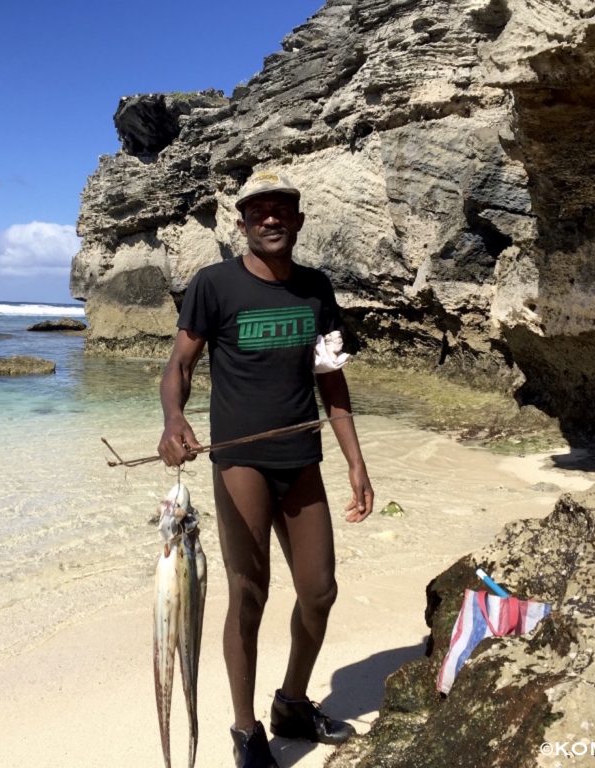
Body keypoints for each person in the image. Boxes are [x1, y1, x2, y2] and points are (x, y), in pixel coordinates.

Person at [158, 169, 374, 768]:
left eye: (282, 210)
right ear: (243, 223)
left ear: (299, 220)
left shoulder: (315, 290)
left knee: (320, 591)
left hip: (302, 458)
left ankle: (293, 703)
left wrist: (356, 461)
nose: (271, 219)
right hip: (240, 461)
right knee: (248, 592)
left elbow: (332, 379)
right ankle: (246, 730)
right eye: (259, 211)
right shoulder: (214, 285)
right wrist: (174, 420)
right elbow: (179, 364)